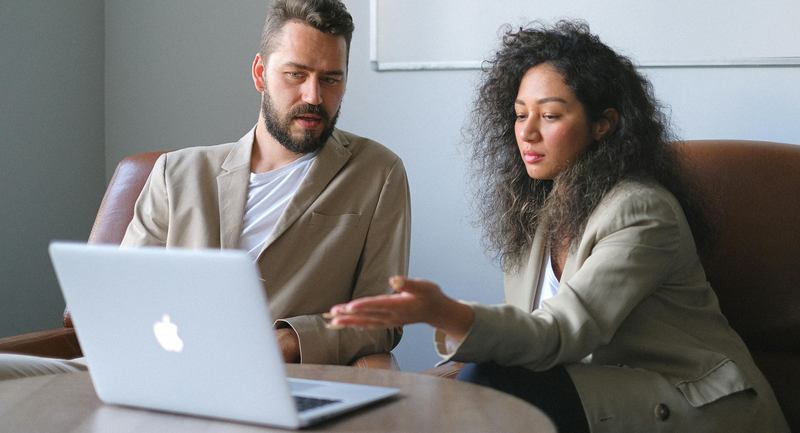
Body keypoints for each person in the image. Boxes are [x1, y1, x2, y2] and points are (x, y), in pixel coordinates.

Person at [327, 21, 789, 432]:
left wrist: (445, 312)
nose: (526, 132)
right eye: (519, 113)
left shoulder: (643, 212)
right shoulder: (536, 211)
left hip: (698, 405)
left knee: (494, 383)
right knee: (463, 391)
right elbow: (524, 340)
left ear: (603, 125)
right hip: (597, 394)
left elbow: (560, 333)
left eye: (549, 116)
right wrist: (417, 387)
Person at [0, 0, 408, 379]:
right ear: (260, 74)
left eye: (331, 79)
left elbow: (384, 316)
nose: (313, 96)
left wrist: (288, 341)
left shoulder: (376, 172)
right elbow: (124, 295)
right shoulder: (176, 172)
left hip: (271, 378)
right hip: (145, 365)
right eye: (296, 74)